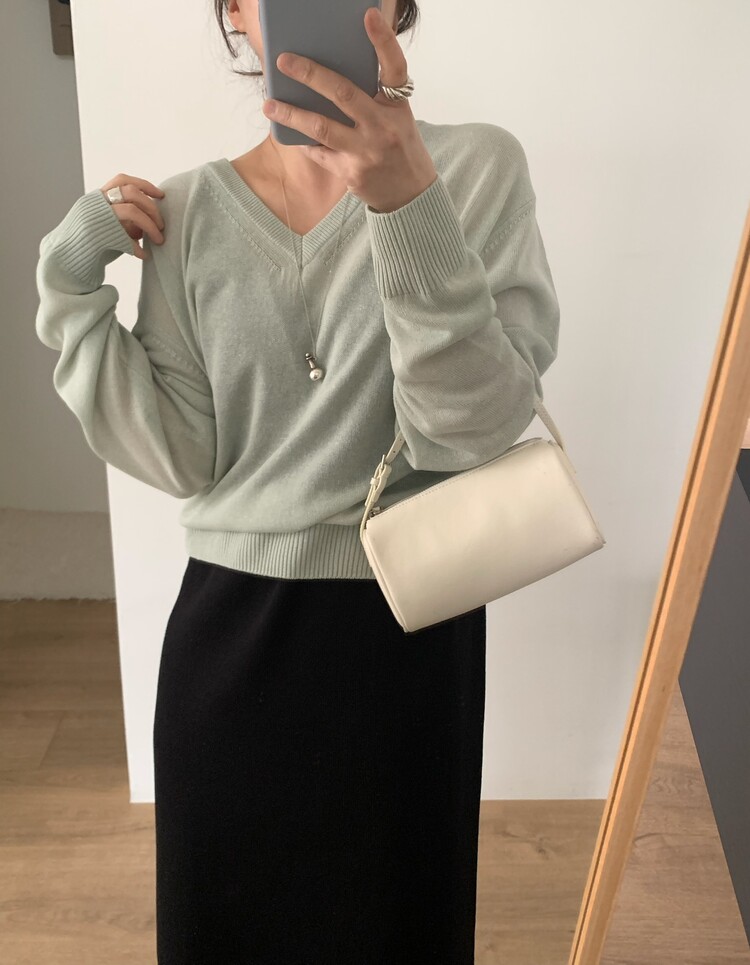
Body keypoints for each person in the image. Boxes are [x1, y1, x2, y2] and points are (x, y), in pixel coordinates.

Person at [34, 1, 560, 961]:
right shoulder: (188, 210)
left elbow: (470, 429)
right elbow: (181, 457)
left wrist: (406, 205)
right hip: (228, 646)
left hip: (410, 634)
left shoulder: (478, 169)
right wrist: (70, 287)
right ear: (236, 11)